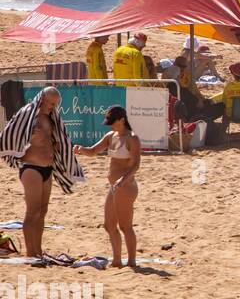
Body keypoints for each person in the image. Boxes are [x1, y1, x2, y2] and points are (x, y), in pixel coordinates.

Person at [0, 87, 84, 258]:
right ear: (42, 100)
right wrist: (17, 153)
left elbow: (54, 139)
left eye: (55, 104)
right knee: (32, 211)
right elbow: (9, 134)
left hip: (47, 168)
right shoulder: (27, 116)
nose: (53, 107)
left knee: (43, 210)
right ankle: (30, 253)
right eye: (51, 103)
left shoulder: (51, 118)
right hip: (31, 167)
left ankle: (37, 250)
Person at [74, 106, 141, 268]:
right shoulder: (111, 136)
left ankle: (131, 261)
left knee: (125, 226)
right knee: (109, 225)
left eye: (113, 122)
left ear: (122, 120)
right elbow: (93, 151)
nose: (111, 126)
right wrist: (80, 149)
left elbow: (136, 165)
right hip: (114, 187)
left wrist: (123, 180)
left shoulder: (132, 138)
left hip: (126, 187)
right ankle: (117, 260)